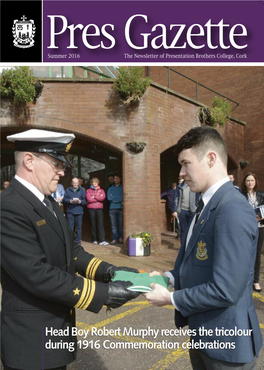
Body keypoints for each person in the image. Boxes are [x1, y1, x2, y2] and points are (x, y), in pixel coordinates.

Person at [1, 129, 139, 370]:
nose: (62, 171)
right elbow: (37, 275)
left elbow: (71, 250)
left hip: (54, 330)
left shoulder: (48, 201)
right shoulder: (9, 207)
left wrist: (108, 272)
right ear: (29, 161)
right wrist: (102, 293)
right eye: (56, 163)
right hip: (31, 340)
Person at [145, 126, 262, 369]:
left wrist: (171, 298)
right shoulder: (207, 203)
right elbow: (199, 264)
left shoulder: (231, 209)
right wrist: (170, 276)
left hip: (227, 344)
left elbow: (226, 289)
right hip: (204, 335)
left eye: (186, 163)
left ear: (211, 158)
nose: (181, 172)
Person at [241, 172, 264, 292]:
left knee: (257, 254)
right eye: (248, 180)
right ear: (245, 182)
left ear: (255, 182)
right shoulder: (241, 195)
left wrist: (262, 217)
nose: (250, 182)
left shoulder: (261, 195)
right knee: (245, 253)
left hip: (259, 227)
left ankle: (255, 281)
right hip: (246, 227)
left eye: (252, 180)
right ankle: (245, 279)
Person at [86, 177, 108, 246]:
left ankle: (102, 240)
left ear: (98, 183)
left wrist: (94, 196)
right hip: (91, 209)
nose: (95, 184)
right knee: (93, 224)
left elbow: (103, 198)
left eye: (96, 182)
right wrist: (98, 197)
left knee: (100, 224)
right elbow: (89, 199)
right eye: (93, 182)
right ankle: (94, 239)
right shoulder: (88, 190)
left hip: (99, 209)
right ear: (91, 183)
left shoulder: (101, 190)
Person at [63, 178, 86, 245]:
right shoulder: (68, 190)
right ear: (71, 183)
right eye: (74, 183)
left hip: (79, 211)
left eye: (76, 183)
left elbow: (85, 201)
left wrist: (80, 201)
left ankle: (78, 240)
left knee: (79, 227)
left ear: (78, 183)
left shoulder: (82, 190)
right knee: (70, 227)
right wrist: (69, 201)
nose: (75, 185)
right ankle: (71, 240)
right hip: (70, 210)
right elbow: (64, 199)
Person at [107, 174, 123, 245]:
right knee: (113, 225)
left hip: (121, 208)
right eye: (115, 178)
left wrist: (115, 199)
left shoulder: (123, 187)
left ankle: (121, 238)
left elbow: (123, 197)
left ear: (120, 179)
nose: (116, 179)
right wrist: (119, 199)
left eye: (117, 178)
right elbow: (109, 198)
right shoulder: (110, 188)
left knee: (121, 225)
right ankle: (114, 239)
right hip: (112, 208)